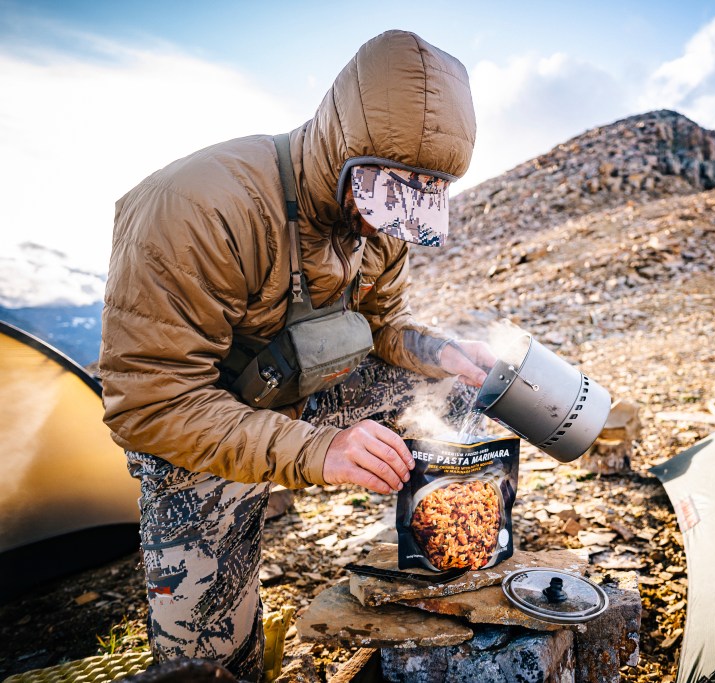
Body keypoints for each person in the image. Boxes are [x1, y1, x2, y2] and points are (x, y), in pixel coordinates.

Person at [99, 30, 493, 681]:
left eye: (411, 206)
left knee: (451, 389)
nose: (385, 224)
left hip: (308, 384)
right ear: (343, 147)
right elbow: (151, 403)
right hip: (198, 423)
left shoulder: (381, 223)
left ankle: (440, 550)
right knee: (208, 662)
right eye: (381, 198)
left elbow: (382, 325)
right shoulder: (202, 205)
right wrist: (319, 450)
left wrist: (441, 350)